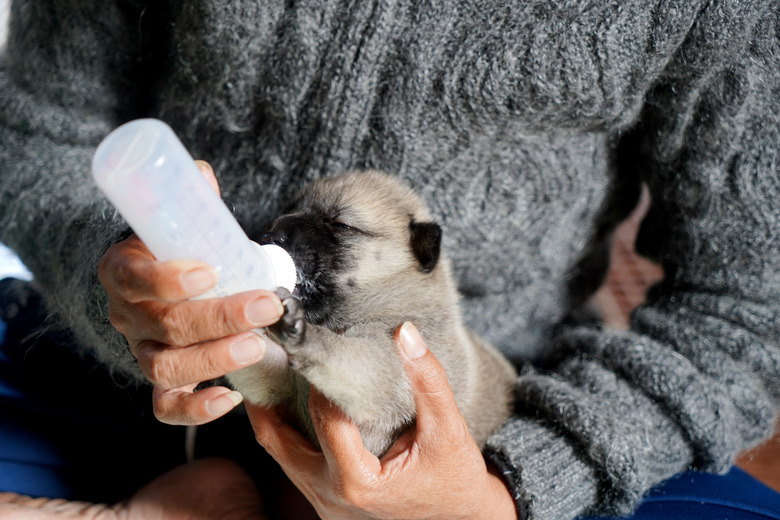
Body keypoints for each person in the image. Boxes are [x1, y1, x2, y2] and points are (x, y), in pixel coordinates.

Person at [0, 1, 778, 519]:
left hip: (515, 422)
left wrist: (513, 488)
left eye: (329, 235)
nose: (283, 232)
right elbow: (36, 131)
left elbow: (750, 309)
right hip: (140, 379)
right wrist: (116, 277)